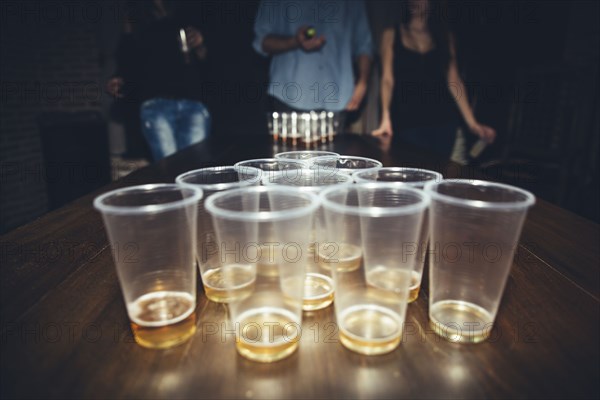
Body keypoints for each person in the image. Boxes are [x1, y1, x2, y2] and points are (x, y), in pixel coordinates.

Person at [372, 0, 495, 158]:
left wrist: (472, 124)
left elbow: (454, 81)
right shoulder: (391, 34)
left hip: (442, 122)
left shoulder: (445, 37)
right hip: (406, 122)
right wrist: (385, 117)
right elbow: (387, 79)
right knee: (410, 175)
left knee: (441, 176)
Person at [107, 0, 210, 161]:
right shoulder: (135, 16)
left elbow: (210, 60)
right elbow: (127, 56)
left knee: (197, 169)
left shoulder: (189, 9)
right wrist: (118, 78)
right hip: (155, 103)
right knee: (169, 170)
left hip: (193, 100)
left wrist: (201, 43)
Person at [253, 0, 373, 124]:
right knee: (289, 143)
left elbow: (364, 44)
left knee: (336, 144)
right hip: (289, 96)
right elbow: (261, 41)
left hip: (339, 97)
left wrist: (363, 82)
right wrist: (294, 42)